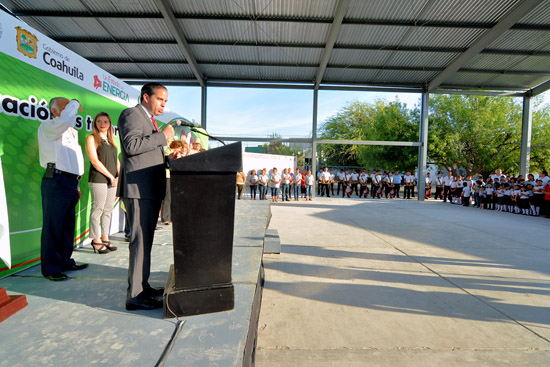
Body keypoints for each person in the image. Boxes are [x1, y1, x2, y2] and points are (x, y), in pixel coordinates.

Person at [117, 82, 179, 311]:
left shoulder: (151, 121)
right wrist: (162, 137)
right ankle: (135, 296)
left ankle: (142, 286)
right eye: (160, 99)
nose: (163, 104)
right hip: (138, 189)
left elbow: (146, 153)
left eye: (166, 101)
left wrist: (167, 157)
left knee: (146, 243)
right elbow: (132, 146)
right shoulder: (131, 114)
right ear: (146, 97)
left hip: (150, 189)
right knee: (140, 243)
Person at [38, 97, 88, 281]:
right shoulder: (48, 127)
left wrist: (77, 183)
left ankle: (65, 260)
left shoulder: (71, 132)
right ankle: (51, 268)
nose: (69, 109)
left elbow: (74, 160)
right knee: (53, 226)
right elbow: (66, 118)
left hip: (70, 182)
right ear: (54, 111)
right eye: (64, 106)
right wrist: (74, 102)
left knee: (67, 226)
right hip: (56, 180)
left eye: (69, 106)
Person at [85, 112, 119, 254]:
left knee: (108, 210)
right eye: (99, 121)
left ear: (110, 124)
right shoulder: (92, 138)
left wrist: (118, 176)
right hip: (99, 178)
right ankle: (95, 239)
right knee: (98, 209)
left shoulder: (111, 141)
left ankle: (105, 237)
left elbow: (117, 161)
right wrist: (111, 176)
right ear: (95, 123)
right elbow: (94, 161)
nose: (102, 123)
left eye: (106, 121)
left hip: (112, 179)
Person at [161, 140, 187, 225]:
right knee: (167, 197)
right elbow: (166, 163)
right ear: (175, 147)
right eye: (178, 148)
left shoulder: (176, 153)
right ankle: (165, 218)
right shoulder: (168, 151)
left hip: (174, 176)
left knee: (173, 197)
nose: (179, 151)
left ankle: (172, 216)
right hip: (167, 176)